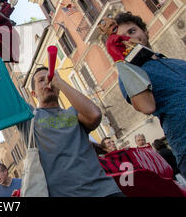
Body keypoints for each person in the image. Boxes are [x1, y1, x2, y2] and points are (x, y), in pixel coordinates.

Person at [17, 67, 123, 197]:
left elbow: (94, 115)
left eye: (50, 78)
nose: (47, 81)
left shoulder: (74, 113)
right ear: (33, 93)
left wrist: (60, 82)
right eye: (41, 80)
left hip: (104, 191)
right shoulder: (29, 117)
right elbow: (3, 91)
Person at [114, 11, 186, 178]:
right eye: (121, 39)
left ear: (144, 31)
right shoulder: (129, 74)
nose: (129, 39)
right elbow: (147, 106)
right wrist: (120, 59)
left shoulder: (177, 62)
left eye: (132, 31)